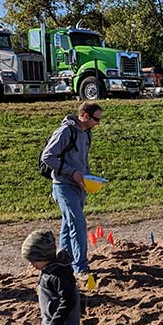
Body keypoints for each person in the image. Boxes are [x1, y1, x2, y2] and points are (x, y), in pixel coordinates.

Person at [41, 102, 103, 276]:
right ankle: (80, 267)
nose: (98, 123)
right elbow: (48, 157)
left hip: (79, 186)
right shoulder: (65, 132)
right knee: (78, 224)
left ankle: (64, 262)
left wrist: (87, 178)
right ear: (84, 115)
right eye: (96, 119)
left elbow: (82, 160)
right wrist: (72, 172)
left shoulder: (86, 133)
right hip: (63, 185)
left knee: (68, 225)